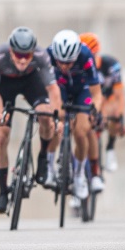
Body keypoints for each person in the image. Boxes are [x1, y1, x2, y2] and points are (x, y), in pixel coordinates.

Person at [0, 27, 61, 213]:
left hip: (31, 81)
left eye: (27, 55)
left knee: (45, 117)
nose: (22, 60)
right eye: (18, 55)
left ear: (33, 53)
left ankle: (43, 158)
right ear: (11, 51)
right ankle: (3, 192)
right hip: (5, 86)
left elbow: (52, 89)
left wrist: (56, 115)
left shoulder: (41, 56)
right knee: (1, 136)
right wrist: (0, 112)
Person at [46, 30, 103, 200]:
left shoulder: (85, 55)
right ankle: (49, 167)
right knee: (55, 124)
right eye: (60, 62)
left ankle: (79, 175)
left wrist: (94, 110)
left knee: (81, 132)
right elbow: (44, 89)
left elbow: (97, 93)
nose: (64, 66)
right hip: (59, 88)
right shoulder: (47, 55)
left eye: (69, 62)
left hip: (81, 90)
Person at [79, 32, 125, 173]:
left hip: (108, 98)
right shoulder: (78, 66)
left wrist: (120, 119)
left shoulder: (111, 65)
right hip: (89, 98)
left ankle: (110, 148)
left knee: (113, 112)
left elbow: (119, 95)